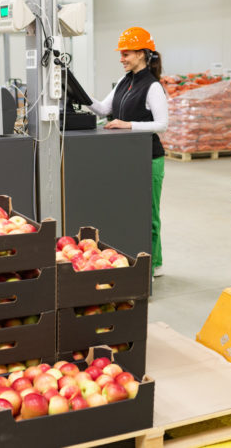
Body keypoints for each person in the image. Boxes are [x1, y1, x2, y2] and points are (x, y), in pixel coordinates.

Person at [87, 27, 168, 277]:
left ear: (142, 54)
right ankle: (148, 258)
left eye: (126, 54)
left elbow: (162, 124)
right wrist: (77, 91)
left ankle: (154, 263)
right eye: (121, 54)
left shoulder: (153, 86)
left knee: (149, 213)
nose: (122, 58)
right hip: (127, 158)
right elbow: (102, 109)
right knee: (131, 209)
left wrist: (127, 124)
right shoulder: (124, 81)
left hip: (149, 158)